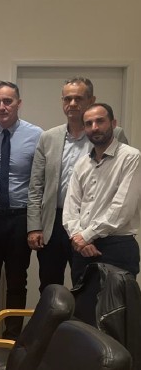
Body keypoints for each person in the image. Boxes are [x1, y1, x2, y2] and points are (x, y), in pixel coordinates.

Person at [27, 77, 128, 292]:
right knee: (50, 286)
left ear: (91, 100)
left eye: (78, 98)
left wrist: (93, 230)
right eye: (67, 99)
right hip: (54, 224)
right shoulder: (48, 137)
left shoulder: (112, 134)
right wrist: (34, 226)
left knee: (88, 286)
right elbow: (36, 185)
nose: (72, 104)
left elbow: (120, 185)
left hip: (91, 224)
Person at [0, 81, 42, 339]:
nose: (2, 107)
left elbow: (40, 181)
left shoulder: (37, 135)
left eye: (7, 101)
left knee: (16, 282)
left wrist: (36, 224)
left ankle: (13, 340)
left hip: (19, 218)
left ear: (18, 103)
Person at [64, 103, 141, 283]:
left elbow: (122, 208)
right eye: (89, 123)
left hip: (117, 247)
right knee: (82, 300)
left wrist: (85, 236)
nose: (94, 127)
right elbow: (70, 206)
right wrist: (78, 236)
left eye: (100, 121)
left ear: (113, 123)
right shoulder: (82, 163)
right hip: (83, 248)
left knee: (117, 301)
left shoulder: (131, 157)